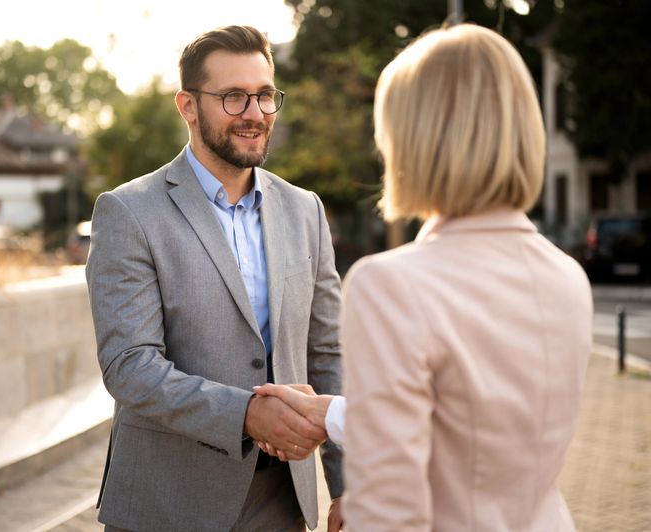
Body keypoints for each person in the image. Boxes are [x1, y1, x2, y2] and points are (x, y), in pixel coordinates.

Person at [256, 23, 593, 531]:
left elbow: (395, 512)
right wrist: (333, 414)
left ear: (411, 138)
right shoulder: (567, 275)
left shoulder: (390, 285)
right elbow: (473, 423)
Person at [85, 25, 344, 532]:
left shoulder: (304, 211)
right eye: (233, 97)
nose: (255, 113)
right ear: (187, 105)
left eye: (265, 96)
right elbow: (129, 366)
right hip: (168, 504)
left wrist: (349, 488)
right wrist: (244, 413)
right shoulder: (128, 212)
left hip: (283, 502)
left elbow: (327, 353)